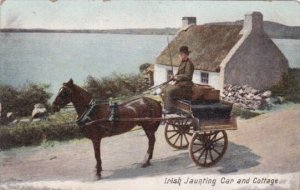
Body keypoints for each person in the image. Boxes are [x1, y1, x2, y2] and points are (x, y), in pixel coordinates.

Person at [163, 46, 194, 114]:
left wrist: (177, 77)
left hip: (185, 87)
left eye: (180, 54)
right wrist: (174, 76)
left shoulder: (189, 64)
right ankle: (166, 106)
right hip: (180, 85)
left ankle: (169, 109)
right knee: (164, 88)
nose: (179, 56)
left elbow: (188, 76)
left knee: (169, 91)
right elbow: (179, 73)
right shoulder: (182, 62)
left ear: (184, 54)